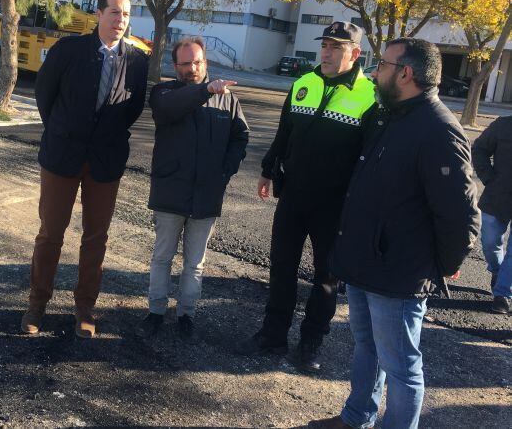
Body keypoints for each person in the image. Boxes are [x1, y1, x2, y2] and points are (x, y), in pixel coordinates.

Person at [309, 38, 479, 429]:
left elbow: (461, 215)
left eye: (382, 65)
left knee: (401, 366)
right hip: (366, 263)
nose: (374, 71)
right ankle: (357, 418)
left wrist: (440, 265)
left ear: (406, 73)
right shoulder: (391, 116)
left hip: (399, 274)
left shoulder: (439, 130)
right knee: (367, 348)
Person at [239, 21, 376, 373]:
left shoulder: (369, 97)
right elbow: (285, 132)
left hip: (334, 206)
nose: (326, 53)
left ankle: (311, 343)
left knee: (326, 279)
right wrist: (269, 169)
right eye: (325, 45)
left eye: (336, 47)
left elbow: (370, 157)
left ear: (355, 53)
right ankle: (273, 334)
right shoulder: (304, 83)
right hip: (294, 196)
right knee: (281, 268)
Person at [20, 0, 149, 339]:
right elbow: (45, 95)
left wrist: (104, 137)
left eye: (125, 14)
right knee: (50, 234)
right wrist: (63, 131)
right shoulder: (68, 51)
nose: (120, 20)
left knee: (96, 239)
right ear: (98, 14)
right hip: (62, 156)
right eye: (114, 13)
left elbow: (132, 109)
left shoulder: (137, 61)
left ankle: (85, 309)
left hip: (105, 162)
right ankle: (36, 304)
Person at [135, 37, 249, 341]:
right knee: (162, 257)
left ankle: (187, 314)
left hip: (206, 195)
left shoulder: (228, 100)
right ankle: (156, 311)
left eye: (197, 62)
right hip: (170, 192)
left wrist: (226, 170)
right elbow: (168, 111)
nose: (192, 68)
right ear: (175, 66)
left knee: (195, 264)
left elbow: (241, 136)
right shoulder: (164, 92)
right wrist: (205, 90)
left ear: (206, 63)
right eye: (185, 64)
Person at [471, 115, 512, 314]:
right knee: (489, 242)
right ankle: (498, 273)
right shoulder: (503, 125)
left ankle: (502, 293)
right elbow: (479, 149)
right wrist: (488, 178)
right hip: (498, 197)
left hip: (498, 196)